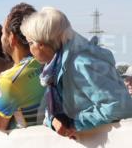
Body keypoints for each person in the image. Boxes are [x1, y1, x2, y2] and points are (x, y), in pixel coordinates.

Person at [20, 7, 132, 136]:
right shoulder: (55, 70)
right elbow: (53, 113)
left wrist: (74, 123)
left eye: (30, 43)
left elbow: (119, 107)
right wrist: (53, 121)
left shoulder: (81, 64)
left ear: (41, 44)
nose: (29, 50)